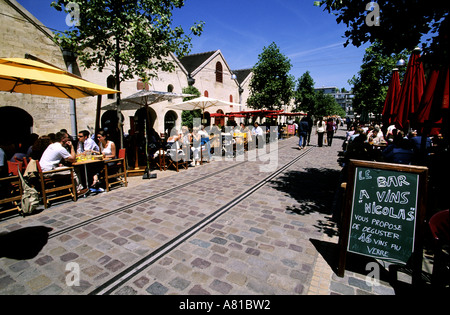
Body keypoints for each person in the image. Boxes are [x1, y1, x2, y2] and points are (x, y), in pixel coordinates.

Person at [39, 131, 88, 196]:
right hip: (49, 171)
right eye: (67, 137)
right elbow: (73, 159)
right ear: (63, 139)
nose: (69, 139)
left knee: (69, 168)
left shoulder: (51, 145)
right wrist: (71, 147)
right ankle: (78, 190)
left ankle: (72, 188)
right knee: (74, 170)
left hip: (43, 170)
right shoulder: (60, 148)